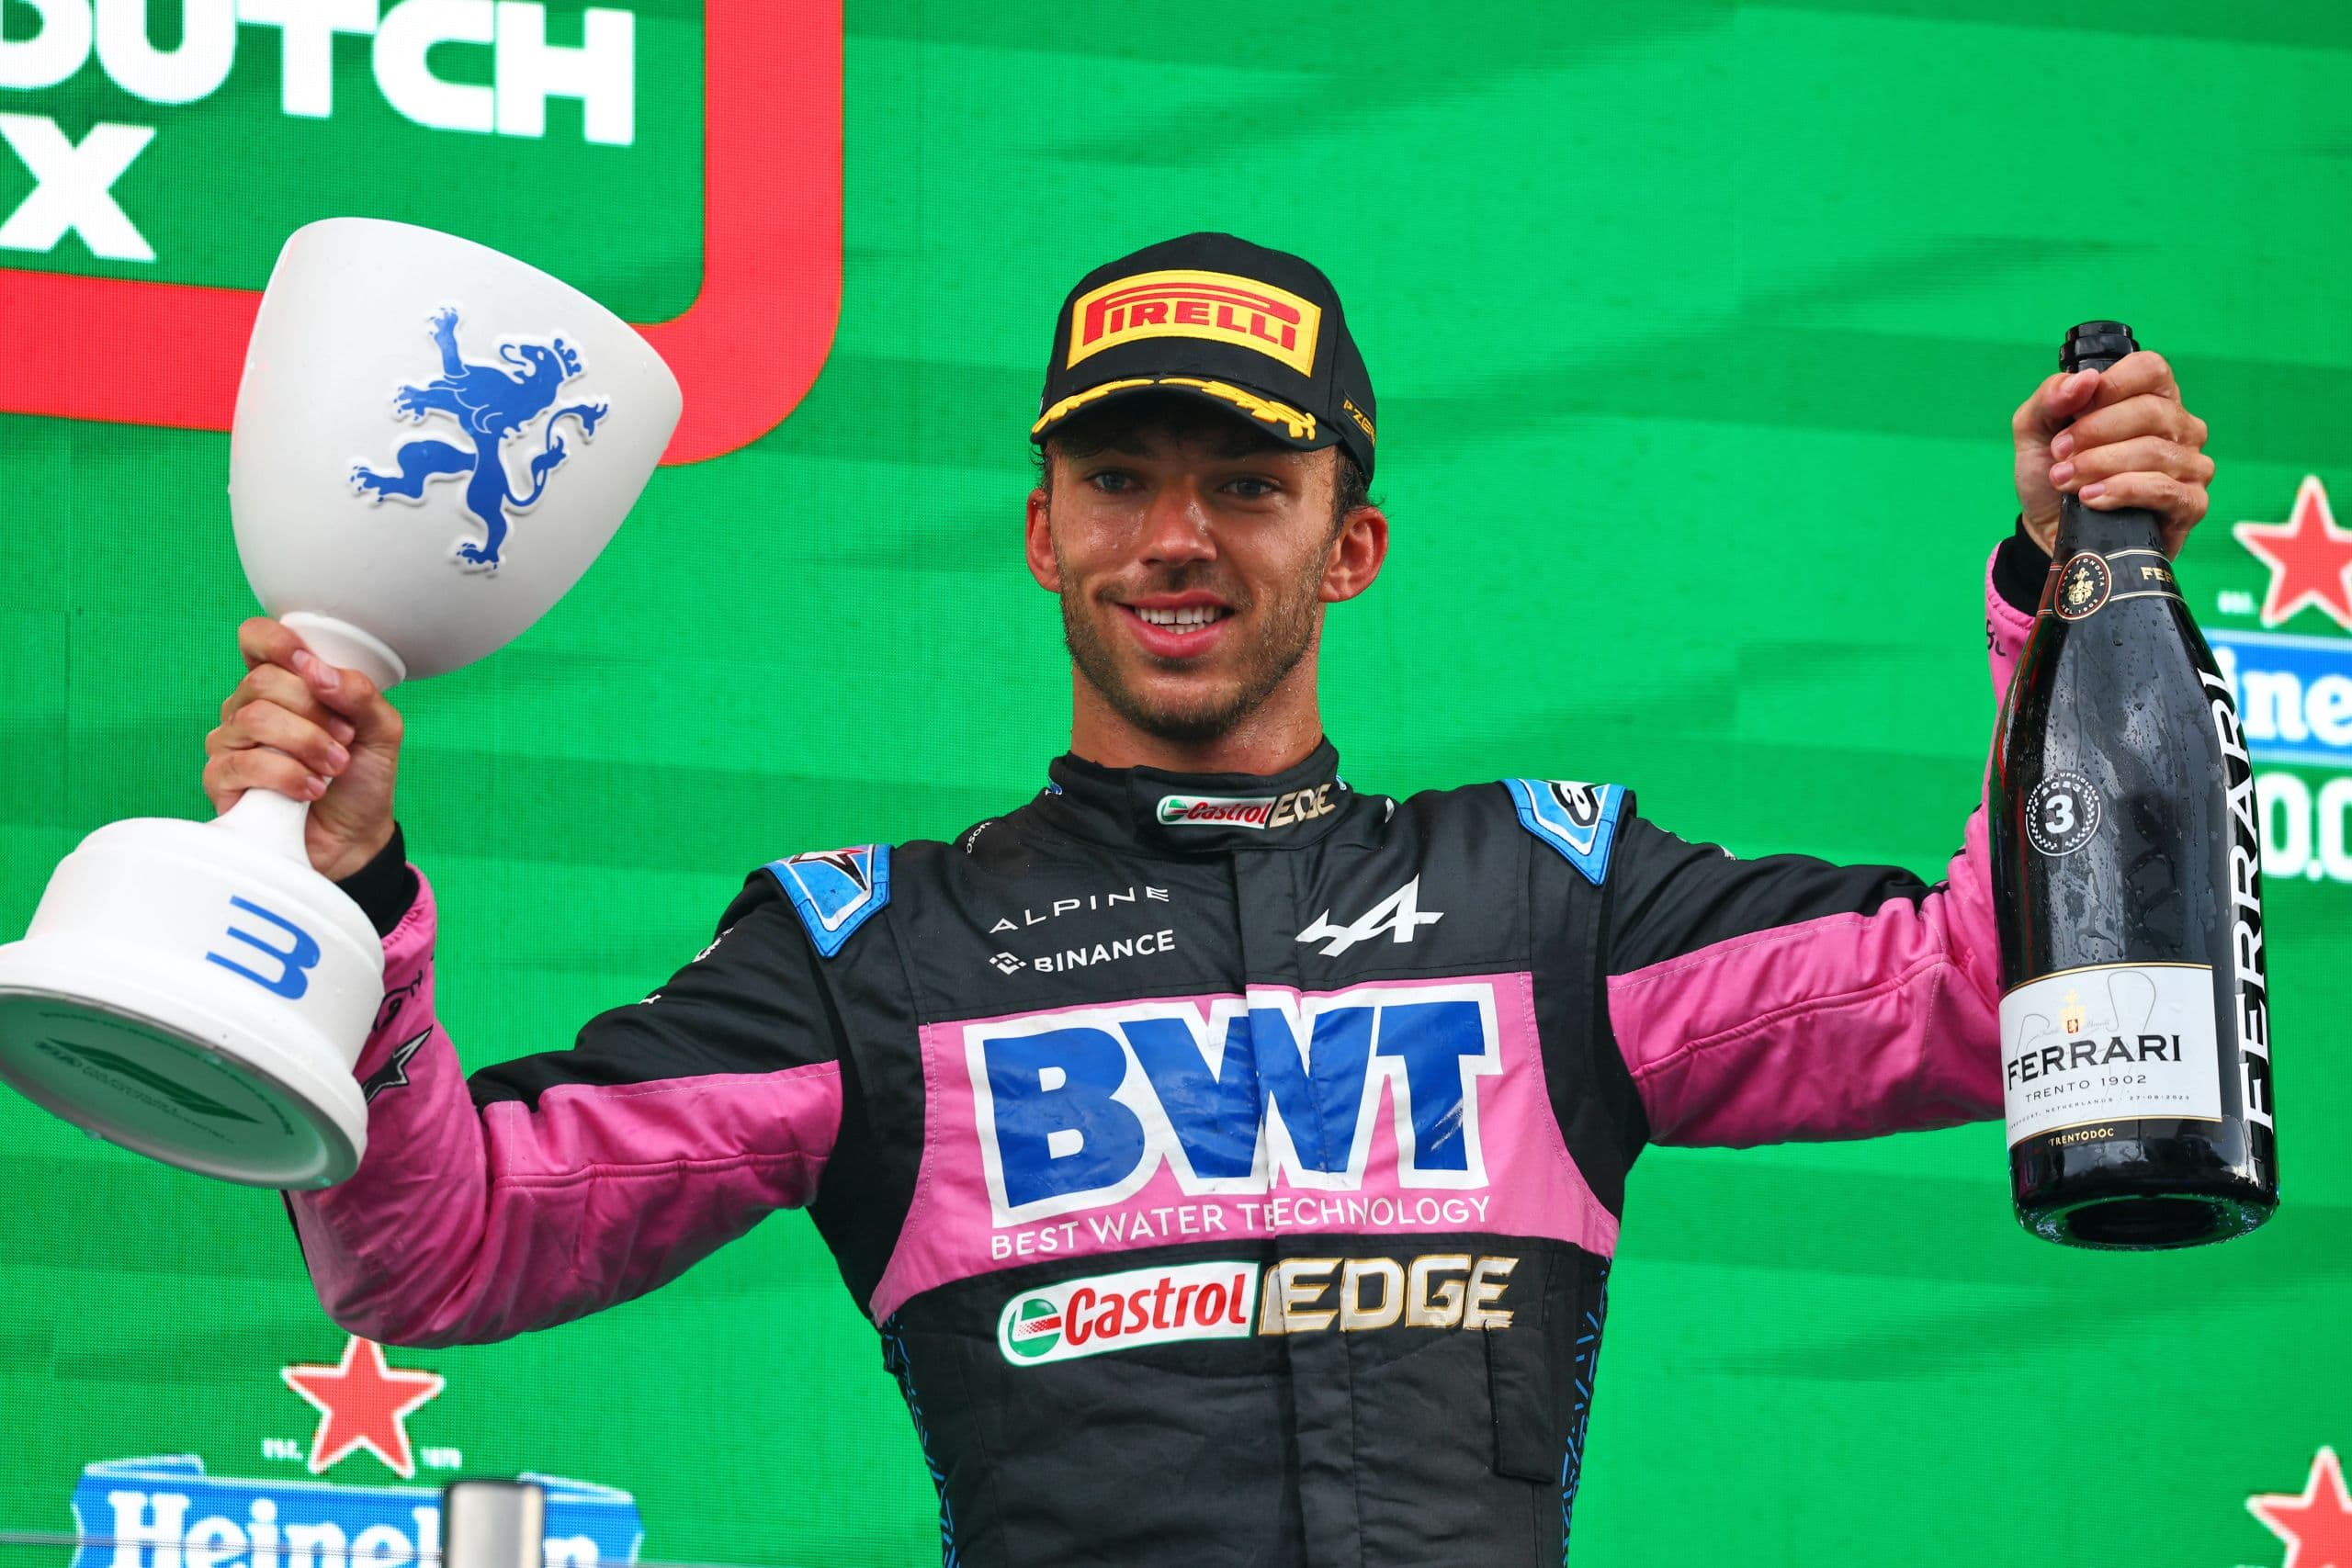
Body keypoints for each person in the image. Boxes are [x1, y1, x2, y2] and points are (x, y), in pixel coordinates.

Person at [206, 233, 2215, 1567]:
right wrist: (356, 897)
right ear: (1039, 529)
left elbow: (1984, 990)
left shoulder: (1550, 895)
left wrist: (2061, 596)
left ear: (1347, 544)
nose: (1175, 538)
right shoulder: (863, 954)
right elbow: (438, 1253)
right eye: (1119, 478)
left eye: (1243, 484)